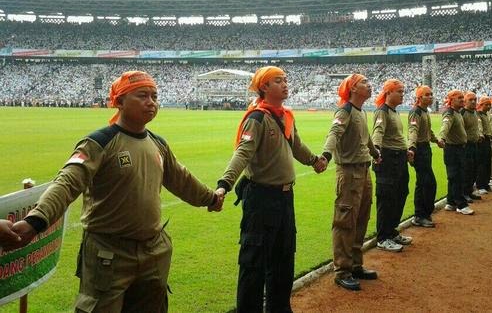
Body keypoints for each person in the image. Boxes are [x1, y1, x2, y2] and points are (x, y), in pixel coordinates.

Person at [9, 70, 223, 313]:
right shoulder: (99, 143)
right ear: (119, 101)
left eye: (154, 96)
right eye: (142, 95)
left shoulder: (158, 144)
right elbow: (67, 182)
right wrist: (36, 221)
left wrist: (211, 198)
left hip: (153, 252)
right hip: (108, 254)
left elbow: (182, 180)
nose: (151, 102)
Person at [216, 66, 326, 312]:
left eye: (286, 79)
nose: (285, 84)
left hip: (285, 199)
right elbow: (242, 154)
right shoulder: (256, 118)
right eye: (279, 81)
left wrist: (314, 160)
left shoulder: (286, 116)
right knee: (253, 264)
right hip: (261, 200)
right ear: (264, 87)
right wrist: (224, 184)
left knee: (283, 261)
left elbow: (296, 146)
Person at [322, 74, 380, 291]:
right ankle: (342, 270)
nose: (369, 85)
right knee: (345, 221)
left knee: (362, 217)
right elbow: (334, 133)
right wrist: (326, 155)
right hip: (348, 173)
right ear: (353, 88)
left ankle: (355, 264)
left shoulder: (361, 111)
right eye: (365, 82)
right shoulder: (344, 111)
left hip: (364, 171)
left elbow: (367, 138)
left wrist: (374, 153)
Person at [371, 79, 413, 253]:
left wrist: (406, 150)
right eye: (400, 91)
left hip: (400, 158)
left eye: (403, 91)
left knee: (401, 193)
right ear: (389, 93)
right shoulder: (382, 112)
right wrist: (377, 151)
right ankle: (382, 237)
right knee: (386, 198)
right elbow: (378, 132)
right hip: (388, 159)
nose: (403, 94)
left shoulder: (394, 112)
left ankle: (392, 230)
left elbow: (396, 135)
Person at [407, 86, 444, 228]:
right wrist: (412, 148)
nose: (430, 97)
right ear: (419, 97)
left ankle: (424, 214)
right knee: (426, 183)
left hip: (426, 149)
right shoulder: (416, 112)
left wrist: (436, 141)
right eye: (427, 95)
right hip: (419, 150)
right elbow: (413, 131)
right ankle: (419, 215)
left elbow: (428, 130)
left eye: (431, 94)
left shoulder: (424, 112)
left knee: (425, 183)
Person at [439, 90, 474, 215]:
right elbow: (445, 126)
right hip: (453, 149)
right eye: (459, 98)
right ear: (452, 99)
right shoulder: (449, 113)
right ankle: (461, 204)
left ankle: (451, 202)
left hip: (458, 148)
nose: (462, 100)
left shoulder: (457, 112)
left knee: (454, 177)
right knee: (456, 177)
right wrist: (442, 138)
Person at [461, 92, 483, 202]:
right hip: (466, 146)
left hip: (475, 144)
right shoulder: (462, 113)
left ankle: (470, 191)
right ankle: (464, 193)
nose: (474, 101)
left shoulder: (474, 113)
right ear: (465, 101)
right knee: (467, 170)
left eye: (475, 99)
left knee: (474, 169)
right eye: (471, 100)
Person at [475, 96, 492, 195]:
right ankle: (480, 185)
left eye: (489, 105)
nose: (488, 107)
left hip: (487, 140)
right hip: (481, 140)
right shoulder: (478, 114)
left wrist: (491, 136)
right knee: (481, 163)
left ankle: (486, 183)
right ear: (481, 105)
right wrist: (482, 135)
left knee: (487, 162)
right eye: (486, 104)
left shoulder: (486, 114)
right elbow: (479, 127)